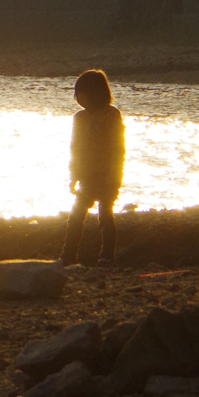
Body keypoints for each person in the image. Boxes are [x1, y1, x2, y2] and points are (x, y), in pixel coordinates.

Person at [59, 68, 125, 269]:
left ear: (96, 93)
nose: (79, 98)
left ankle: (107, 256)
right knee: (76, 216)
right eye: (77, 95)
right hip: (86, 175)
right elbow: (75, 147)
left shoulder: (111, 115)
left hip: (106, 174)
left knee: (105, 216)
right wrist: (74, 175)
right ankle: (69, 255)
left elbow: (118, 148)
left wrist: (114, 177)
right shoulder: (79, 118)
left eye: (83, 93)